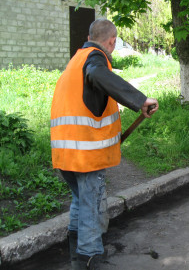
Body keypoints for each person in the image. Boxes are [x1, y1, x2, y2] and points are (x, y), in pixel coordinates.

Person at [50, 19, 159, 270]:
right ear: (111, 41)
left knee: (80, 203)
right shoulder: (95, 59)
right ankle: (89, 260)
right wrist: (139, 100)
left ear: (90, 35)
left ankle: (76, 257)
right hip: (86, 155)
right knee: (91, 209)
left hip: (66, 154)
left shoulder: (75, 60)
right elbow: (98, 74)